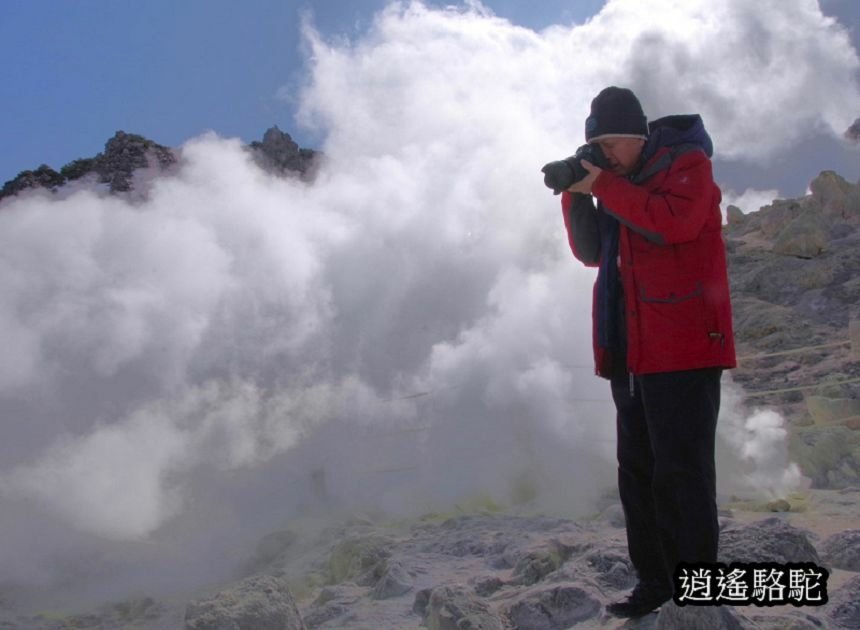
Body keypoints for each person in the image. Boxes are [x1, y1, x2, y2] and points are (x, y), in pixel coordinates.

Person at [559, 86, 736, 617]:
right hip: (631, 350)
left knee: (681, 470)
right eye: (599, 146)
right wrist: (576, 192)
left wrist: (604, 183)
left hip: (683, 346)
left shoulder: (687, 164)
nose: (606, 154)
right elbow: (592, 253)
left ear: (638, 136)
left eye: (612, 143)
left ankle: (698, 588)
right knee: (637, 470)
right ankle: (656, 580)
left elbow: (673, 224)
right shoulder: (621, 183)